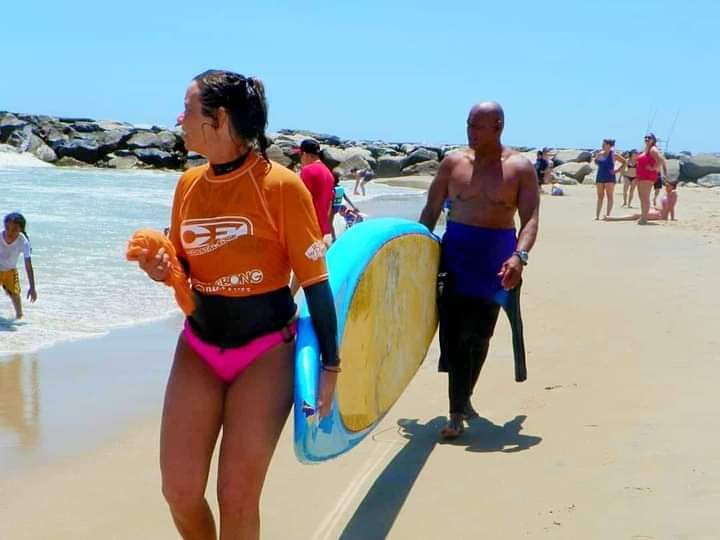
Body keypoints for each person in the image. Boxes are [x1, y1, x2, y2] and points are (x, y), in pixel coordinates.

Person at [133, 70, 341, 540]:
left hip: (264, 352)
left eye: (187, 109)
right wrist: (163, 269)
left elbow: (316, 282)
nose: (179, 119)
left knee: (237, 497)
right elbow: (184, 266)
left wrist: (331, 367)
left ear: (219, 119)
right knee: (180, 491)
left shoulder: (281, 187)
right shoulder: (187, 185)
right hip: (200, 346)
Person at [419, 102, 540, 439]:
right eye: (468, 124)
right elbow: (430, 210)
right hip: (455, 258)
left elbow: (530, 219)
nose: (470, 132)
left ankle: (465, 396)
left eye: (478, 126)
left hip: (498, 263)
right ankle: (456, 412)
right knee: (456, 336)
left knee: (481, 336)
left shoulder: (520, 168)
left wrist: (520, 256)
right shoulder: (454, 163)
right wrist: (415, 253)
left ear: (498, 126)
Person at [296, 139, 335, 247]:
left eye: (299, 155)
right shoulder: (328, 173)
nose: (300, 159)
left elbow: (301, 200)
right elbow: (329, 206)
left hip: (309, 229)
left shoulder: (308, 170)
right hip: (323, 230)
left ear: (304, 154)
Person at [0, 212, 37, 319]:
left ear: (21, 229)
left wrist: (32, 287)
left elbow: (28, 266)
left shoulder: (23, 242)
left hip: (10, 270)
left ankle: (19, 317)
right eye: (7, 228)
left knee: (14, 294)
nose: (10, 232)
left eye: (14, 229)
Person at [603, 181, 678, 222]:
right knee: (637, 214)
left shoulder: (673, 193)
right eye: (666, 185)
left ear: (672, 187)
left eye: (668, 186)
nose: (666, 187)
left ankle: (612, 218)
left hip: (660, 215)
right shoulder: (667, 193)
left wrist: (671, 218)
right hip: (657, 211)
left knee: (636, 215)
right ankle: (612, 218)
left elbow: (671, 207)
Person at [635, 133, 667, 225]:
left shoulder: (653, 149)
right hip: (641, 175)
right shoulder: (646, 149)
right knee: (642, 197)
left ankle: (644, 218)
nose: (647, 139)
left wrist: (654, 168)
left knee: (645, 197)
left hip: (647, 176)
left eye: (649, 138)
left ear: (653, 140)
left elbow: (661, 160)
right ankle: (643, 216)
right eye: (645, 137)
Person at [593, 138, 626, 220]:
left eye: (604, 144)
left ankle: (608, 215)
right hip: (600, 176)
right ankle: (597, 216)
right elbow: (595, 161)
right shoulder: (600, 154)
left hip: (610, 177)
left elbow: (625, 162)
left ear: (609, 145)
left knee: (609, 196)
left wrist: (616, 171)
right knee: (600, 196)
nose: (602, 145)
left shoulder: (613, 154)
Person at [330, 172, 359, 242]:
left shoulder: (332, 188)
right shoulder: (340, 188)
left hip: (332, 207)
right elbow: (346, 198)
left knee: (329, 224)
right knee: (330, 223)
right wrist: (353, 206)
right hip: (337, 207)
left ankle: (333, 239)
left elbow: (330, 198)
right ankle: (335, 236)